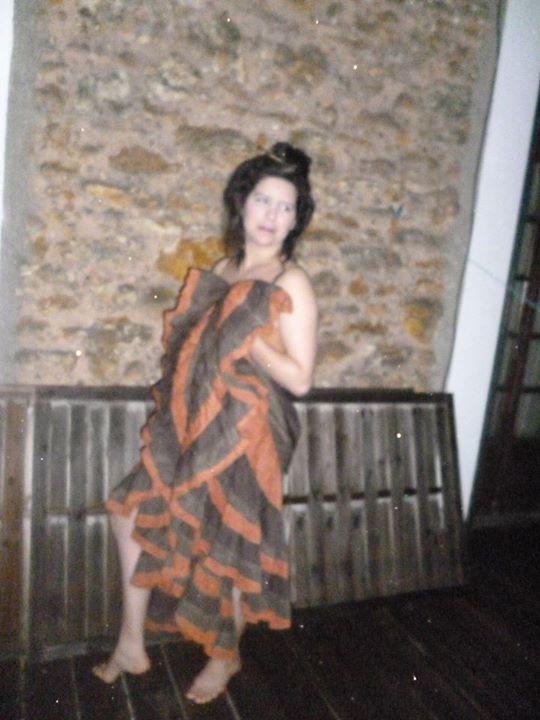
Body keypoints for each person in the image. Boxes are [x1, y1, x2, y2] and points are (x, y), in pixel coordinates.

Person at [92, 142, 318, 704]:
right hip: (196, 421)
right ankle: (131, 644)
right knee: (129, 511)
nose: (271, 215)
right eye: (262, 200)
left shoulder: (292, 281)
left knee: (227, 544)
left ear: (296, 220)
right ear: (241, 204)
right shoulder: (222, 270)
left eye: (285, 207)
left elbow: (299, 379)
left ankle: (225, 656)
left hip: (250, 431)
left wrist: (249, 339)